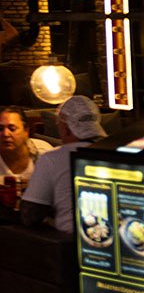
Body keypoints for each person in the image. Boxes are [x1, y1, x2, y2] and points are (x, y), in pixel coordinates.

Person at [21, 95, 108, 234]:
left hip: (68, 244)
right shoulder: (115, 153)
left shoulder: (52, 158)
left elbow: (30, 216)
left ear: (66, 128)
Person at [0, 106, 48, 185]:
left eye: (12, 129)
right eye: (0, 129)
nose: (5, 134)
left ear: (26, 131)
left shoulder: (45, 153)